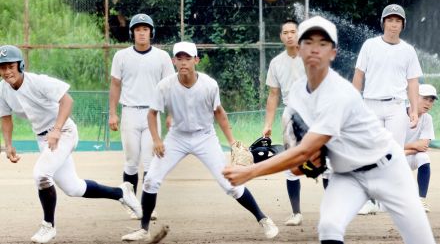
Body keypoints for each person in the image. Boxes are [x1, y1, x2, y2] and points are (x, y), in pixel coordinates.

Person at [223, 16, 435, 244]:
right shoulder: (296, 96)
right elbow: (299, 165)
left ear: (333, 53)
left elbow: (305, 151)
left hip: (388, 170)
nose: (315, 49)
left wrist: (251, 171)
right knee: (329, 226)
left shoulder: (339, 93)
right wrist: (304, 165)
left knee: (421, 240)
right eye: (308, 42)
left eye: (323, 44)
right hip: (348, 176)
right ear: (299, 49)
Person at [121, 41, 279, 241]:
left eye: (188, 58)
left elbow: (219, 113)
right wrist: (156, 139)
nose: (184, 62)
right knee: (151, 180)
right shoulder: (165, 86)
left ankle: (263, 219)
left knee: (230, 185)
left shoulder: (209, 85)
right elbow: (152, 114)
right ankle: (144, 229)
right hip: (177, 137)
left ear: (196, 60)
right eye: (179, 58)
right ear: (174, 61)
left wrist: (232, 143)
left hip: (205, 137)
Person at [0, 45, 142, 244]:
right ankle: (121, 192)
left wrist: (56, 130)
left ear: (20, 65)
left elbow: (67, 101)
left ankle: (48, 226)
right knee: (73, 188)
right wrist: (8, 145)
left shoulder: (38, 82)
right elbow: (6, 118)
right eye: (2, 67)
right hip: (44, 139)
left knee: (41, 175)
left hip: (64, 131)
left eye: (11, 66)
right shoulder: (3, 89)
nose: (7, 71)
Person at [352, 4, 423, 215]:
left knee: (394, 154)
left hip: (396, 106)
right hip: (370, 104)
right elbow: (358, 75)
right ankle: (369, 200)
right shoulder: (369, 45)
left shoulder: (408, 50)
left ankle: (392, 200)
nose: (393, 24)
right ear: (383, 23)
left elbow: (413, 82)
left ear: (403, 25)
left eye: (398, 21)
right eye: (390, 20)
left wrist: (414, 110)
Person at [109, 13, 175, 219]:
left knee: (150, 161)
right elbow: (115, 85)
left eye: (145, 29)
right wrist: (113, 113)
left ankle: (148, 206)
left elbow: (170, 88)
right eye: (138, 29)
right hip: (129, 111)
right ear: (132, 33)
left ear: (151, 32)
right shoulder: (121, 56)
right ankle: (132, 204)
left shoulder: (162, 57)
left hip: (152, 114)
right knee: (130, 161)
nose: (142, 33)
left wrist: (171, 113)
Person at [262, 19, 306, 226]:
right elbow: (273, 95)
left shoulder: (311, 56)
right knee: (291, 163)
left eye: (293, 31)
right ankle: (296, 213)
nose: (289, 35)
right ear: (281, 37)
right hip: (291, 113)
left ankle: (332, 210)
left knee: (327, 164)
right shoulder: (276, 63)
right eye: (285, 32)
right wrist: (268, 124)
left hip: (314, 112)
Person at [404, 83, 437, 213]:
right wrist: (413, 145)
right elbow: (388, 144)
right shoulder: (398, 115)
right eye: (425, 98)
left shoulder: (427, 119)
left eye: (431, 100)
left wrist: (404, 150)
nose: (428, 103)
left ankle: (421, 200)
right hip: (391, 158)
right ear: (414, 97)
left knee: (424, 157)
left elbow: (423, 146)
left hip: (407, 155)